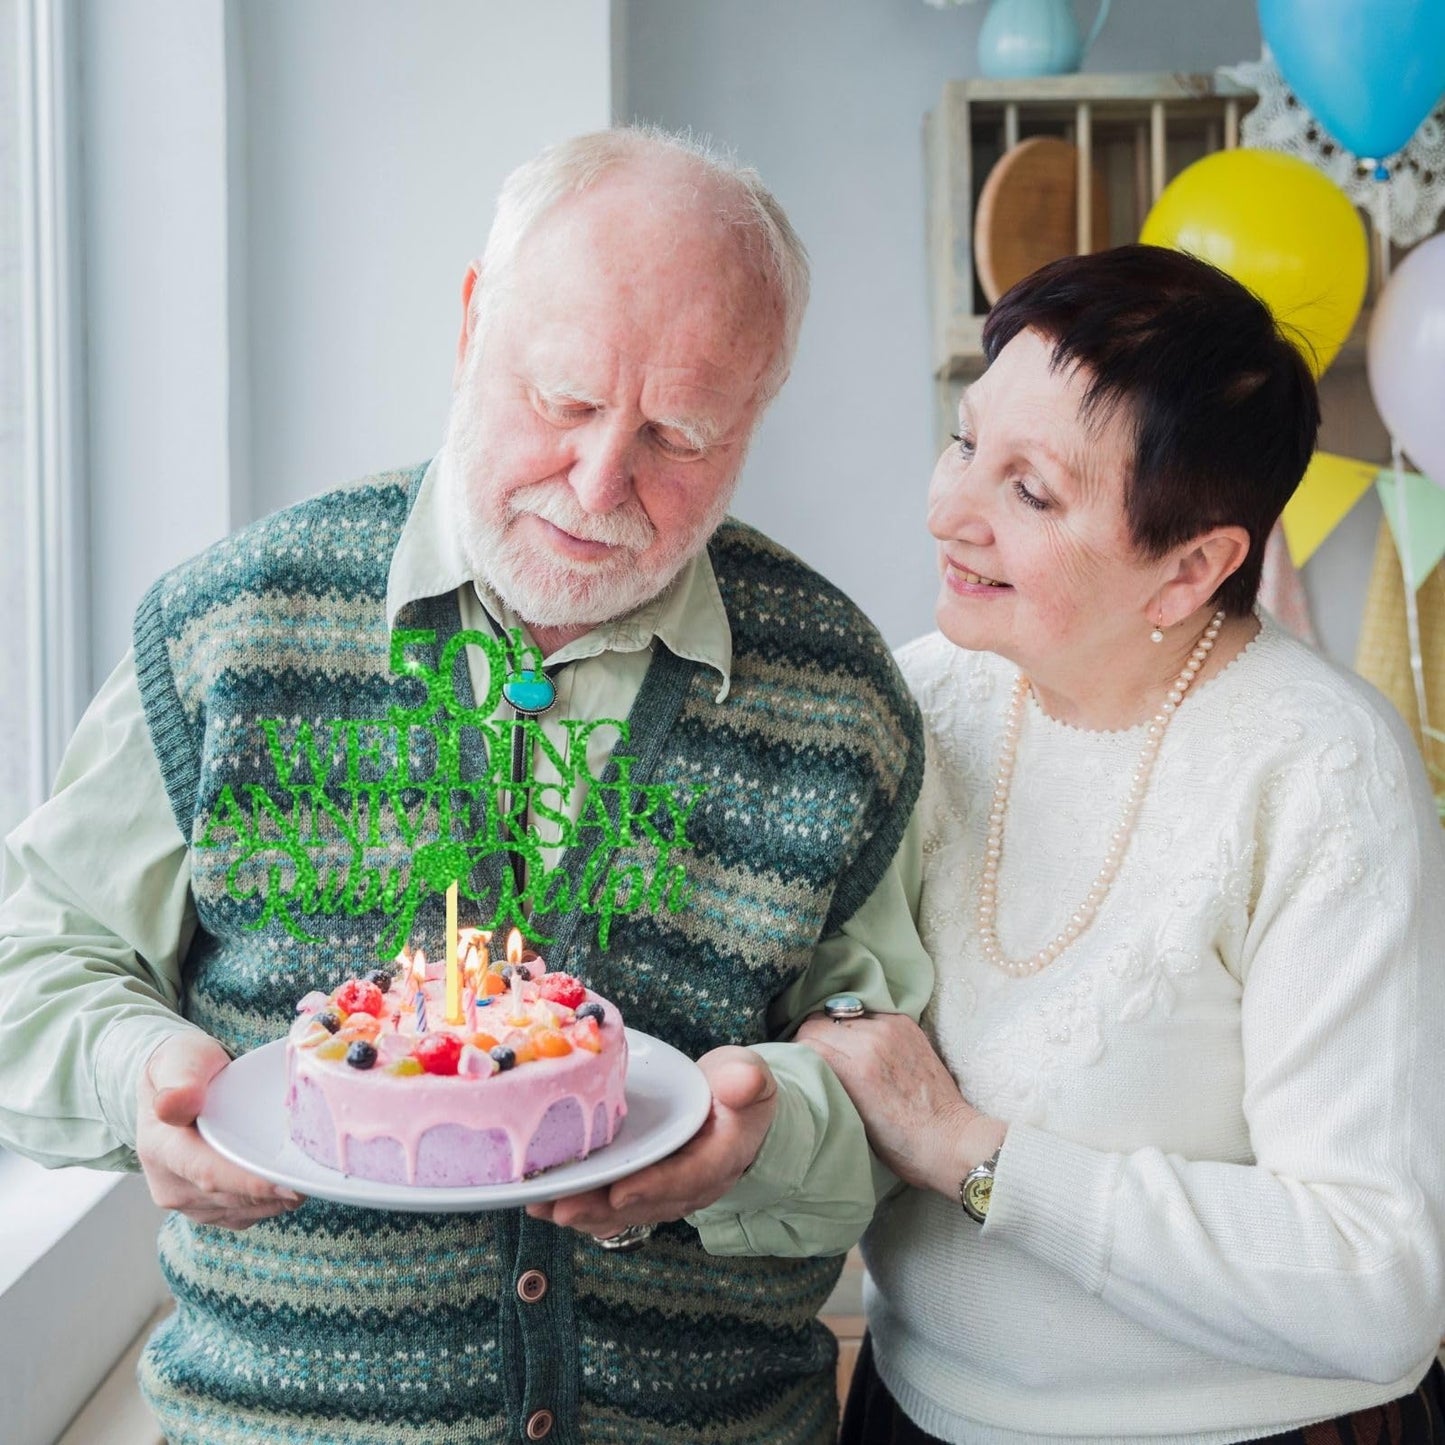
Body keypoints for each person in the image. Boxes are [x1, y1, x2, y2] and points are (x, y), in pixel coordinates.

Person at [0, 127, 933, 1445]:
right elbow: (34, 963)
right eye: (561, 399)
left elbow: (899, 1101)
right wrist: (140, 1076)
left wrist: (762, 1139)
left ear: (755, 420)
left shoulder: (838, 698)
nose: (601, 481)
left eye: (679, 433)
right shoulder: (232, 629)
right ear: (470, 324)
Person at [800, 245, 1445, 1444]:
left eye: (1029, 491)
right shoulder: (910, 697)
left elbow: (1378, 1282)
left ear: (1190, 566)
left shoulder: (1318, 769)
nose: (949, 511)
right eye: (962, 442)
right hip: (913, 1414)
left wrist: (971, 1153)